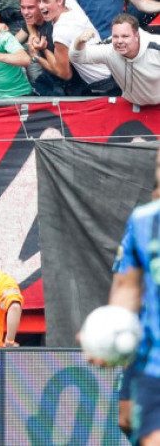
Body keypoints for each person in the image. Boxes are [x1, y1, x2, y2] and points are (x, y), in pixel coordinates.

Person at [100, 148, 160, 444]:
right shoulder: (142, 222)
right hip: (151, 361)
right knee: (127, 419)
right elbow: (127, 287)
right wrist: (110, 333)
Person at [70, 14, 160, 106]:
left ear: (136, 36)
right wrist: (79, 41)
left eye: (125, 36)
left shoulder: (156, 47)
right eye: (115, 36)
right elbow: (77, 57)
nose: (119, 41)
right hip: (132, 104)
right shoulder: (109, 49)